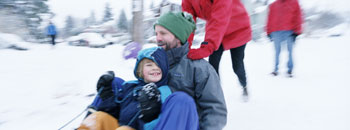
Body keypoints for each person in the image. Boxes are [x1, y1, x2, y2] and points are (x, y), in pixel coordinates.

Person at [78, 47, 199, 130]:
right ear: (140, 70)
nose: (155, 68)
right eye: (149, 65)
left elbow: (163, 123)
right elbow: (114, 110)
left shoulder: (164, 92)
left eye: (159, 65)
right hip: (119, 125)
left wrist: (149, 116)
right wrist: (107, 96)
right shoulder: (130, 87)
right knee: (99, 117)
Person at [154, 12, 227, 130]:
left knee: (181, 100)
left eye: (163, 33)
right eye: (156, 33)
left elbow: (215, 110)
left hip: (185, 124)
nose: (158, 38)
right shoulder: (152, 62)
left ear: (178, 37)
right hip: (156, 122)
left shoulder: (199, 68)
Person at [181, 0, 252, 97]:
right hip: (218, 33)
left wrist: (208, 45)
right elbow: (188, 20)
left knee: (237, 66)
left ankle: (244, 85)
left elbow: (219, 17)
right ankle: (215, 94)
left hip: (238, 29)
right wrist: (184, 45)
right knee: (213, 66)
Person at [266, 0, 303, 77]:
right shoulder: (273, 5)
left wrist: (297, 31)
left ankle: (290, 70)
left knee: (290, 51)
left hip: (289, 31)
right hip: (276, 32)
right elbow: (269, 18)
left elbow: (298, 17)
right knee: (277, 52)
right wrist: (268, 32)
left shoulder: (294, 3)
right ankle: (275, 70)